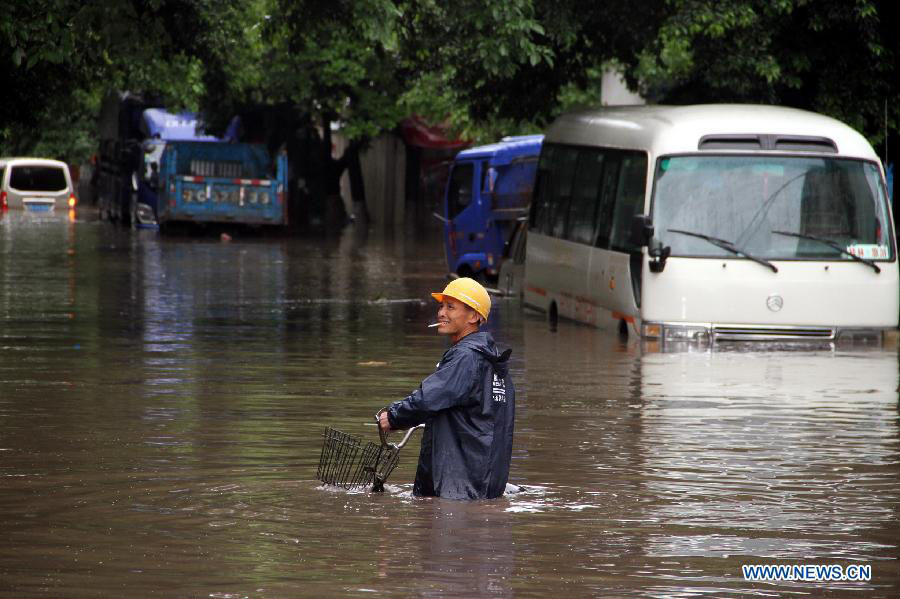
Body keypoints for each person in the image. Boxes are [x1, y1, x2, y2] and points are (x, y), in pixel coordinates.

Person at [378, 277, 515, 500]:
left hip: (456, 488)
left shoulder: (466, 357)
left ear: (474, 316)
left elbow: (428, 398)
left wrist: (393, 416)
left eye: (451, 307)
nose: (441, 313)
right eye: (441, 306)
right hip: (485, 485)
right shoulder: (495, 362)